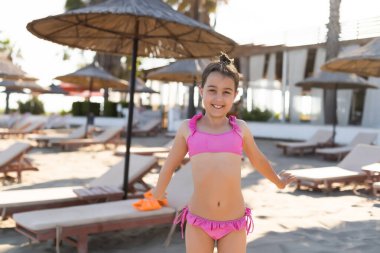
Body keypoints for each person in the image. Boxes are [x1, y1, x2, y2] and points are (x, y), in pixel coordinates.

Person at [152, 53, 296, 253]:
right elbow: (169, 165)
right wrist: (158, 193)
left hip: (234, 223)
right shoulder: (188, 129)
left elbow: (258, 159)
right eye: (212, 90)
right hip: (198, 221)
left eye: (226, 92)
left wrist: (278, 181)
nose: (218, 98)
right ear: (201, 91)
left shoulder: (240, 129)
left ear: (235, 94)